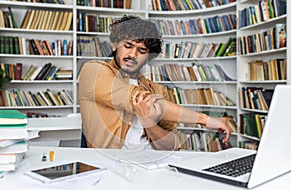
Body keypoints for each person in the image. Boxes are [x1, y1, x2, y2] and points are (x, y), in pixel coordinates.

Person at [78, 15, 231, 150]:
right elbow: (139, 100)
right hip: (109, 171)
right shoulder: (92, 71)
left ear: (149, 57)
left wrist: (149, 124)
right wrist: (204, 120)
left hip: (153, 167)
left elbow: (172, 145)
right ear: (115, 45)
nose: (132, 54)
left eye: (142, 50)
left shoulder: (157, 89)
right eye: (128, 46)